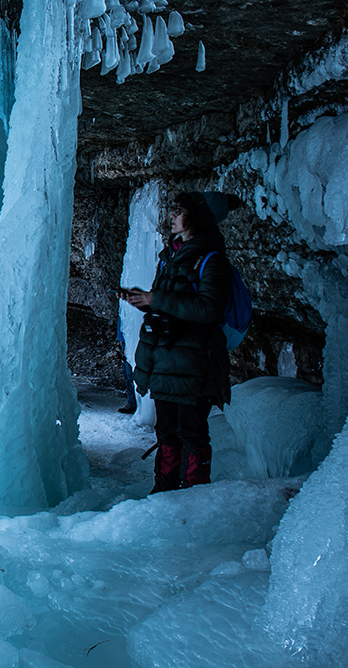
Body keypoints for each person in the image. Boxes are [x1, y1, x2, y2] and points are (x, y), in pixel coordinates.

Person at [117, 191, 242, 493]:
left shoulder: (213, 261)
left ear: (198, 218)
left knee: (191, 432)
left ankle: (194, 496)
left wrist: (156, 298)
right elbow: (172, 305)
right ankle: (164, 492)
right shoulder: (173, 257)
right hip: (167, 360)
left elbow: (207, 309)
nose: (171, 217)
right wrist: (144, 301)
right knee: (167, 432)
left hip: (195, 363)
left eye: (179, 211)